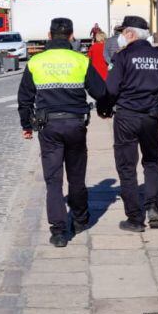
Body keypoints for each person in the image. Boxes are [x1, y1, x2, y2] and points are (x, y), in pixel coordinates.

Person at [18, 17, 108, 248]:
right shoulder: (80, 60)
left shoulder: (36, 61)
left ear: (49, 36)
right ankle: (79, 220)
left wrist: (26, 126)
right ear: (71, 36)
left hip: (49, 127)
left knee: (53, 180)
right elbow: (100, 91)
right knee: (76, 176)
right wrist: (106, 109)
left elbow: (25, 98)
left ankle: (58, 231)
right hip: (76, 125)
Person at [98, 15, 158, 232]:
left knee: (126, 166)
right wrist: (157, 111)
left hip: (126, 117)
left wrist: (104, 109)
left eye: (122, 33)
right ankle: (153, 207)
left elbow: (111, 89)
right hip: (150, 117)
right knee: (151, 161)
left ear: (130, 34)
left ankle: (134, 218)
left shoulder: (123, 57)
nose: (120, 37)